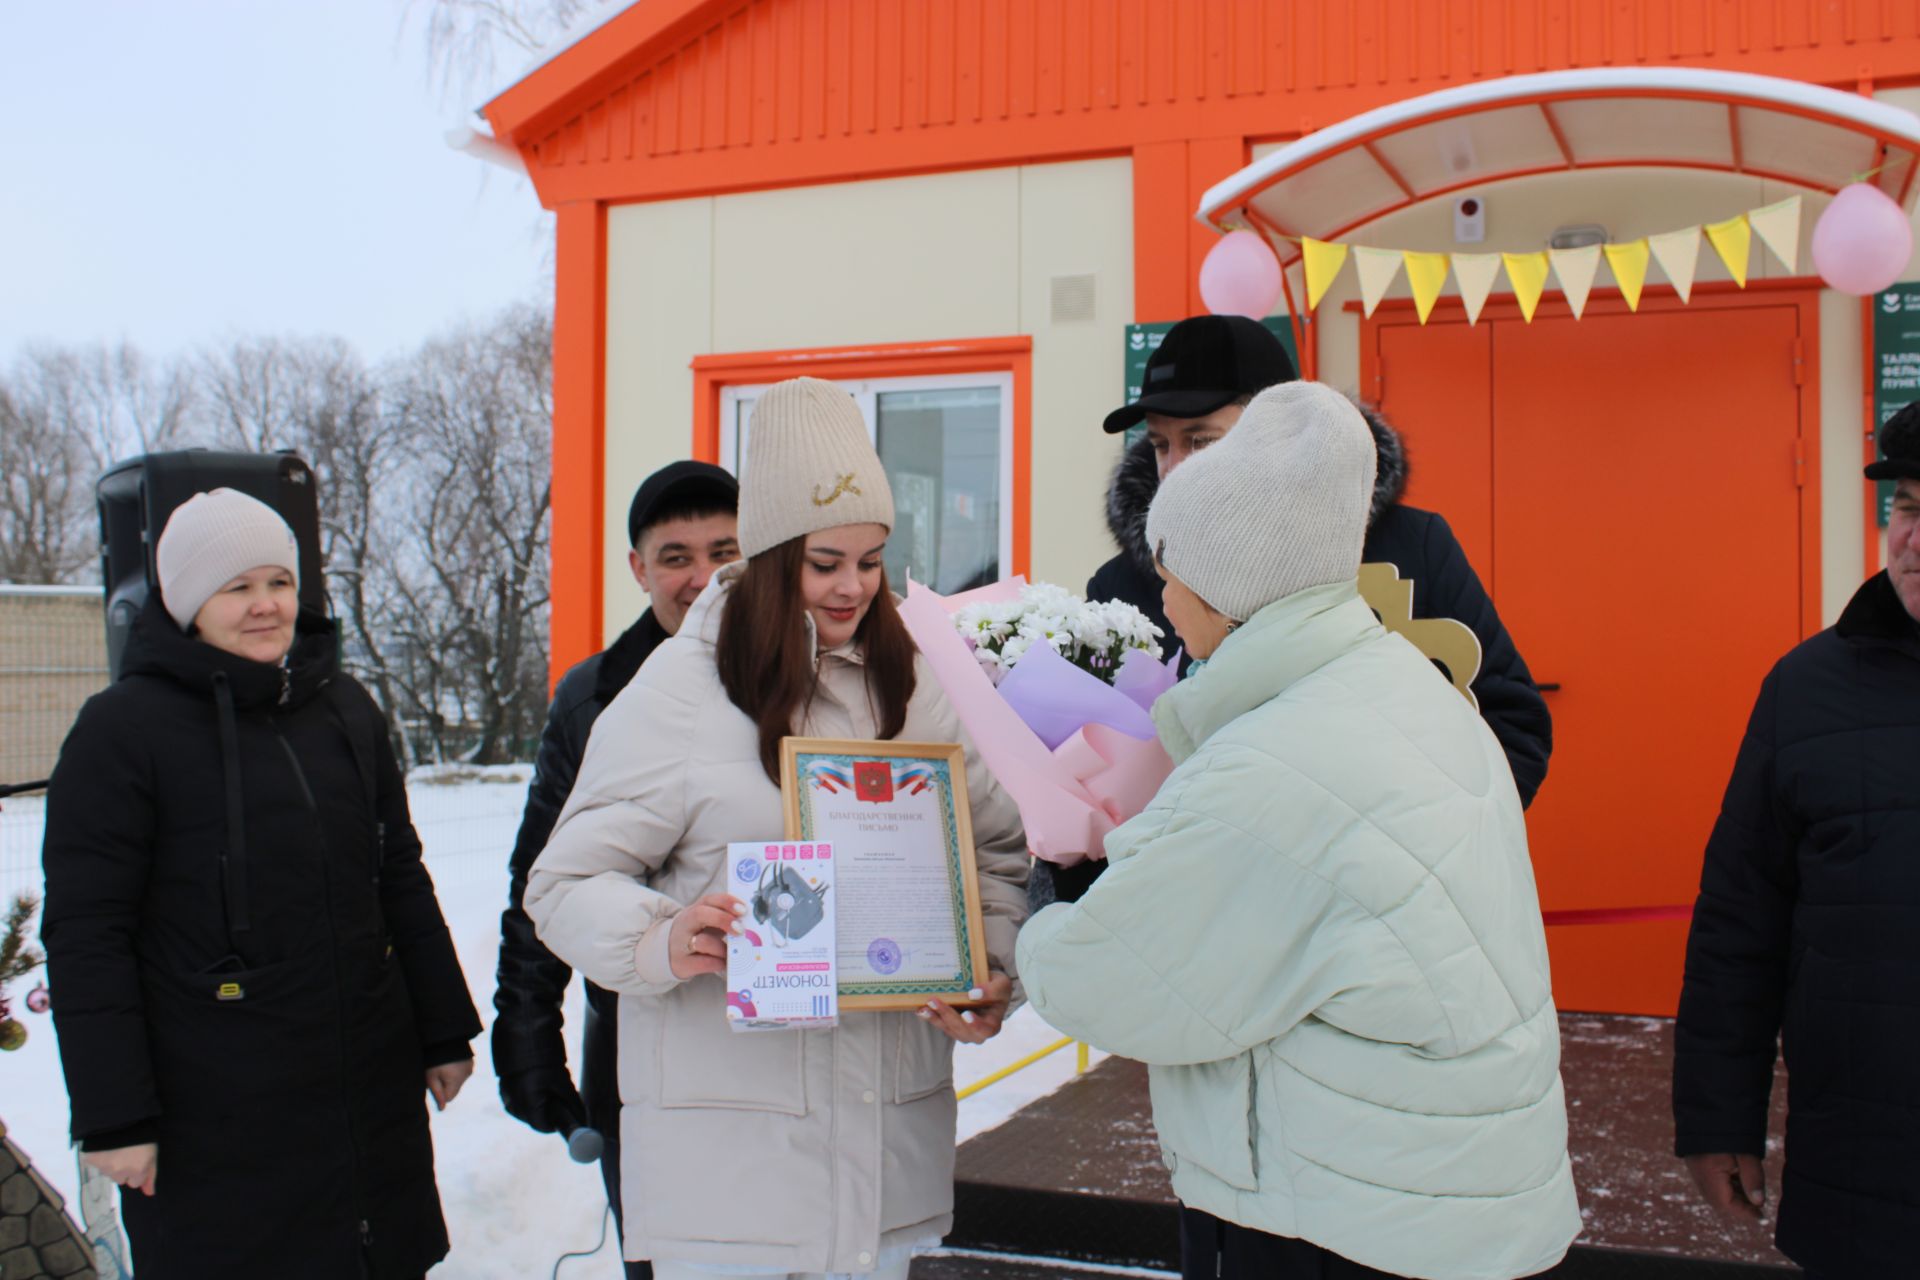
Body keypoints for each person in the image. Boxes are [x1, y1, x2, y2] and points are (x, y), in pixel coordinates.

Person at [1016, 382, 1581, 1280]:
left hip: (1344, 1215)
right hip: (1446, 1188)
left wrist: (1053, 895)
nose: (1159, 592)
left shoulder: (1276, 764)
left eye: (1171, 568)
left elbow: (1114, 977)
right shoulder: (1396, 687)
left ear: (1227, 586)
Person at [524, 377, 1029, 1280]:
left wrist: (990, 964)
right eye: (825, 561)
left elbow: (994, 850)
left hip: (882, 1161)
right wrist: (664, 938)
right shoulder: (679, 691)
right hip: (733, 1180)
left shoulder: (910, 685)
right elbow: (561, 886)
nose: (852, 587)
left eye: (871, 560)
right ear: (767, 556)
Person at [41, 488, 481, 1280]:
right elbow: (87, 931)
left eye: (278, 582)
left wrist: (442, 1028)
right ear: (185, 601)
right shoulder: (122, 730)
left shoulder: (344, 708)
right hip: (213, 1106)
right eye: (235, 587)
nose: (264, 606)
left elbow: (398, 871)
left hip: (362, 1086)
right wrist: (115, 1115)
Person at [1047, 315, 1553, 901]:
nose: (1176, 468)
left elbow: (1511, 724)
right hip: (1198, 918)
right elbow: (1084, 780)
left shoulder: (1409, 547)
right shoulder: (1125, 586)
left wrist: (1422, 862)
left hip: (1380, 911)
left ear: (1280, 430)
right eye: (1161, 444)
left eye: (1202, 440)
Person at [1671, 406, 1920, 1277]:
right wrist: (1716, 1119)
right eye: (1908, 508)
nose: (1916, 540)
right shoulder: (1808, 690)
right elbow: (1741, 921)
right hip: (1865, 1171)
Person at [494, 460, 740, 1277]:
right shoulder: (593, 696)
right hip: (635, 1029)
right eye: (675, 557)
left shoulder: (801, 677)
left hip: (778, 1031)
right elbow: (541, 880)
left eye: (723, 551)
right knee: (662, 1255)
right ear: (638, 568)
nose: (701, 578)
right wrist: (527, 1035)